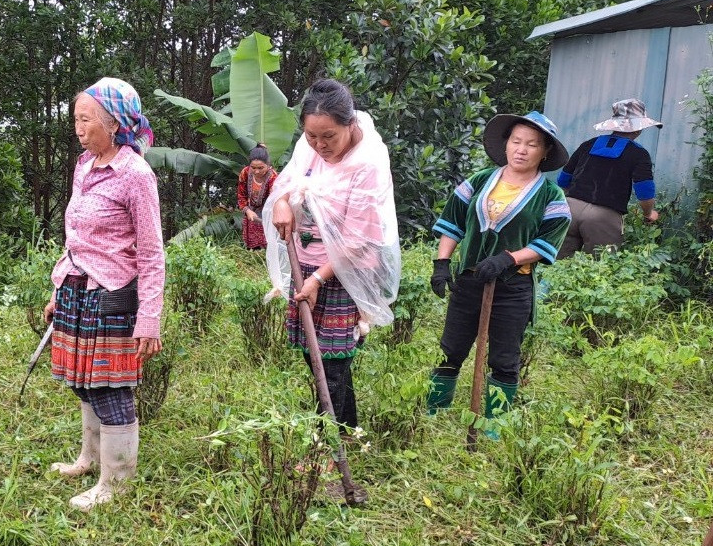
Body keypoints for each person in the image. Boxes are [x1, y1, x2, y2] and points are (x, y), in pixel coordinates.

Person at [44, 77, 164, 512]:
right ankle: (88, 458)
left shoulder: (135, 175)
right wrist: (59, 285)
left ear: (114, 123)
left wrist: (149, 318)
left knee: (109, 388)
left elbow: (152, 253)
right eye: (75, 118)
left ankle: (116, 483)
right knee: (82, 382)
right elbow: (76, 234)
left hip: (112, 295)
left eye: (86, 119)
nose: (78, 127)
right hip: (77, 289)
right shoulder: (84, 165)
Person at [265, 79, 401, 437]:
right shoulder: (309, 146)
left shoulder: (368, 163)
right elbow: (288, 185)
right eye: (312, 136)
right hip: (306, 262)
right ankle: (347, 428)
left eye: (329, 137)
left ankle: (325, 450)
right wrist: (281, 203)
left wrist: (317, 280)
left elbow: (357, 241)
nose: (319, 145)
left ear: (350, 125)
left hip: (345, 272)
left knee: (332, 364)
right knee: (317, 358)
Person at [426, 111, 571, 430]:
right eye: (516, 141)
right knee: (451, 350)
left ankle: (493, 426)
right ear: (506, 144)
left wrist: (509, 258)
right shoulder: (478, 181)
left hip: (511, 289)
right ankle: (432, 417)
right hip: (469, 282)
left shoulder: (551, 196)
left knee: (504, 360)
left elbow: (548, 241)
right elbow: (452, 223)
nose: (522, 149)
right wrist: (442, 264)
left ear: (544, 152)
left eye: (532, 144)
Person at [555, 98, 662, 259]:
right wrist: (649, 213)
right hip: (604, 217)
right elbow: (645, 191)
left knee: (557, 264)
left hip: (570, 210)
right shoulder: (639, 153)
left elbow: (563, 179)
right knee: (601, 269)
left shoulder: (588, 144)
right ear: (639, 128)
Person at [237, 143, 278, 249]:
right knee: (252, 248)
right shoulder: (245, 172)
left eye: (261, 168)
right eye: (253, 167)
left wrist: (267, 217)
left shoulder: (273, 177)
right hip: (250, 212)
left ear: (268, 165)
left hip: (267, 214)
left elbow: (274, 201)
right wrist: (247, 210)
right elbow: (241, 195)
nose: (256, 171)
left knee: (268, 246)